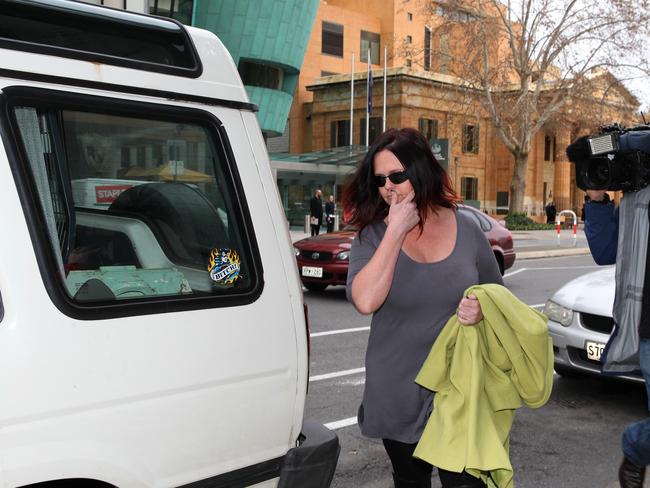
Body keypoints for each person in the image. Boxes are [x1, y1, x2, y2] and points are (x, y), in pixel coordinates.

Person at [343, 128, 503, 488]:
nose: (389, 187)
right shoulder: (371, 237)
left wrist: (481, 309)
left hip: (457, 387)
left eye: (397, 176)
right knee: (411, 481)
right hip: (398, 387)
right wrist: (395, 230)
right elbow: (366, 300)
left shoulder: (466, 226)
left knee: (466, 482)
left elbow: (498, 296)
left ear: (420, 170)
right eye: (381, 179)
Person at [584, 188, 650, 488]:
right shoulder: (639, 197)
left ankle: (638, 443)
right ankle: (637, 446)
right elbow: (607, 250)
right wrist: (597, 200)